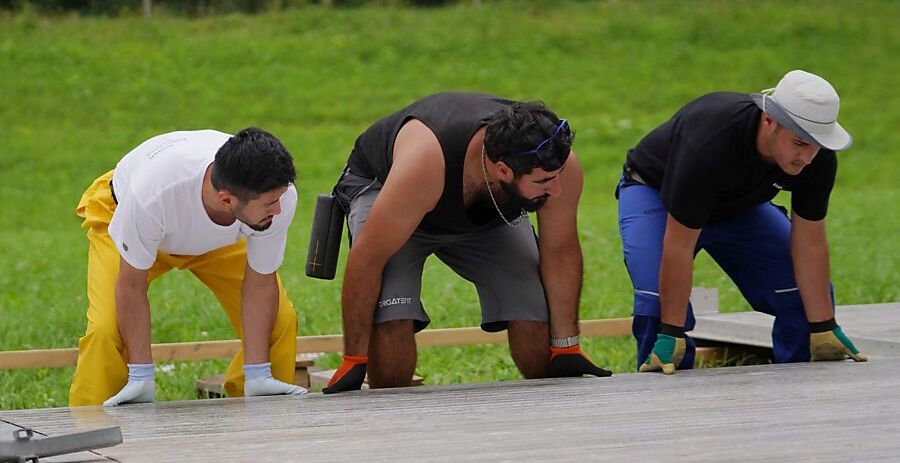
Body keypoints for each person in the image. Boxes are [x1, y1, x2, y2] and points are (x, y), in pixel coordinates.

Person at [321, 92, 611, 394]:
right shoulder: (424, 161)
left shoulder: (552, 165)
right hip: (393, 195)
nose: (557, 188)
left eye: (558, 175)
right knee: (393, 322)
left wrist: (565, 345)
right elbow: (367, 259)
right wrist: (354, 357)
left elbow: (561, 252)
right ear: (503, 170)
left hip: (485, 205)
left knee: (531, 308)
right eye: (543, 182)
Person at [616, 70, 867, 374]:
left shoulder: (816, 156)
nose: (808, 158)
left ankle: (801, 394)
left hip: (738, 205)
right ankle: (665, 397)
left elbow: (810, 240)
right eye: (799, 143)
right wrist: (671, 331)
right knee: (657, 305)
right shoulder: (710, 143)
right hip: (656, 194)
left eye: (816, 146)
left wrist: (824, 324)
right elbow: (679, 245)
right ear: (768, 120)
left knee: (804, 297)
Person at [70, 127, 307, 406]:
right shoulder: (150, 196)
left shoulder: (273, 197)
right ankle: (93, 426)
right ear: (226, 199)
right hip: (132, 221)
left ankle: (260, 409)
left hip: (220, 237)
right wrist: (140, 376)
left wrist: (259, 373)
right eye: (270, 204)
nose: (278, 210)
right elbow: (131, 286)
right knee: (106, 330)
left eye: (278, 200)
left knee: (280, 321)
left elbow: (260, 281)